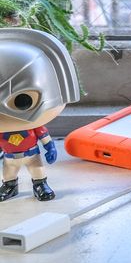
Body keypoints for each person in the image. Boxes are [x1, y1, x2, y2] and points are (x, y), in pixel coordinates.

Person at [0, 29, 80, 202]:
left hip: (31, 154)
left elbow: (45, 138)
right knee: (8, 173)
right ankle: (9, 186)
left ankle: (40, 185)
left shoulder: (35, 127)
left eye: (22, 101)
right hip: (9, 157)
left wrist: (50, 148)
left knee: (37, 170)